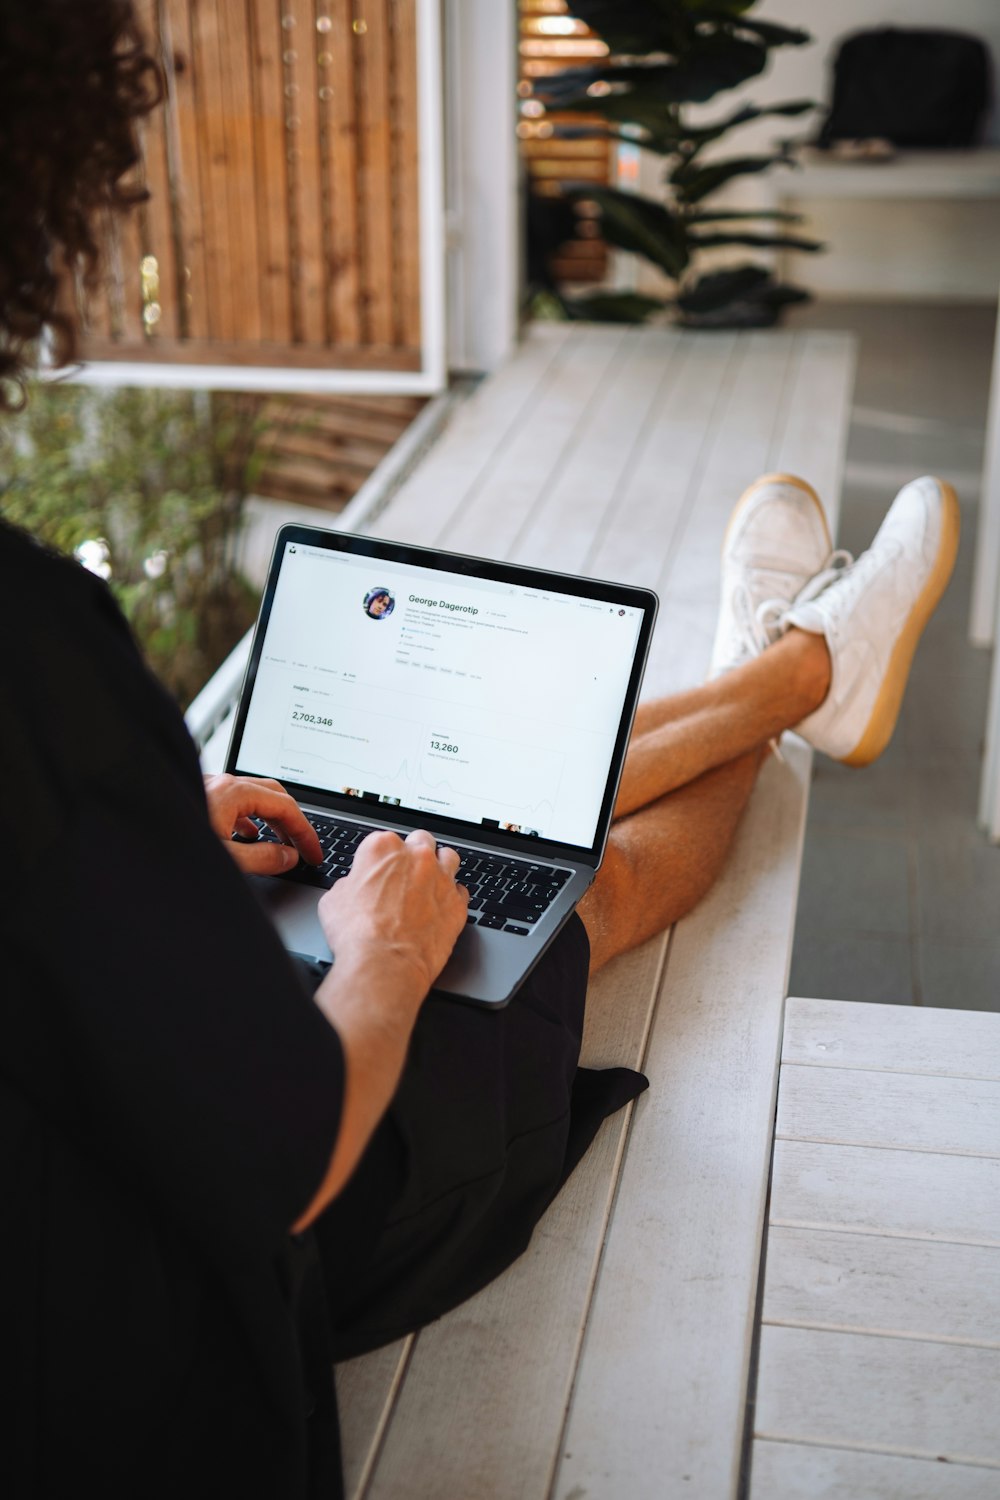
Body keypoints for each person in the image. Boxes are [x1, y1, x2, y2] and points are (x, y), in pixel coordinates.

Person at [0, 4, 959, 1496]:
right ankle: (796, 673)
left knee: (468, 812)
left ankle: (782, 670)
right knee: (578, 887)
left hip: (90, 1140)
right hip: (174, 1301)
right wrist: (383, 958)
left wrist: (136, 837)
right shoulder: (24, 649)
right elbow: (280, 1162)